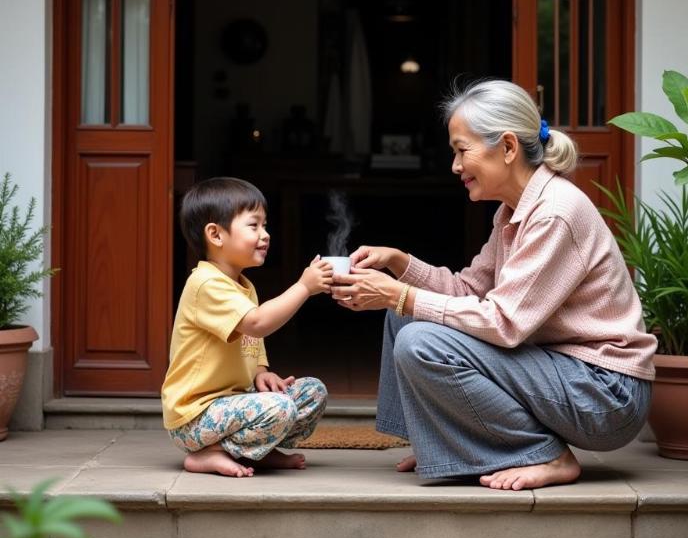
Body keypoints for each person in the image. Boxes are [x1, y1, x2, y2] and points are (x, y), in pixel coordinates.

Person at [332, 79, 656, 490]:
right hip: (563, 374)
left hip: (605, 394)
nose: (455, 166)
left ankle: (549, 456)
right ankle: (445, 440)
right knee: (402, 321)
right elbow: (469, 291)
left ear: (506, 147)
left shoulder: (555, 212)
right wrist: (401, 265)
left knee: (419, 338)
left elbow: (504, 323)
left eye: (461, 150)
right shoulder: (512, 211)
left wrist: (401, 295)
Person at [162, 177, 333, 478]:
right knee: (279, 409)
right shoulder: (205, 284)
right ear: (215, 235)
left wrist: (261, 373)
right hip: (195, 417)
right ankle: (207, 454)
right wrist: (304, 287)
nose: (265, 235)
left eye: (265, 226)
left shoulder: (244, 286)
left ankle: (257, 452)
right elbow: (257, 324)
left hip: (233, 406)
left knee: (312, 392)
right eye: (254, 226)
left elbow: (251, 343)